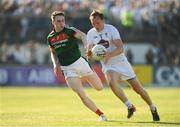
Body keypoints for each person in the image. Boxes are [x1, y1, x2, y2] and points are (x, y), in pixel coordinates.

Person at [86, 10, 160, 121]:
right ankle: (130, 106)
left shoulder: (111, 29)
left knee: (138, 89)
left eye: (97, 23)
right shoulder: (91, 33)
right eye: (93, 23)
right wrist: (89, 54)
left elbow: (121, 48)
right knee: (111, 83)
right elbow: (90, 53)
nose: (95, 25)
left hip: (121, 62)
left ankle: (152, 107)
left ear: (103, 20)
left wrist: (109, 55)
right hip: (108, 65)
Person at [47, 11, 107, 121]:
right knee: (81, 94)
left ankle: (85, 77)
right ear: (53, 22)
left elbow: (83, 36)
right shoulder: (50, 38)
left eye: (63, 20)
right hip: (67, 69)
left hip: (80, 63)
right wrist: (55, 64)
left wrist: (87, 47)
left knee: (99, 88)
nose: (61, 23)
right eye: (58, 21)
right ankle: (101, 115)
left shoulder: (70, 31)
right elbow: (53, 52)